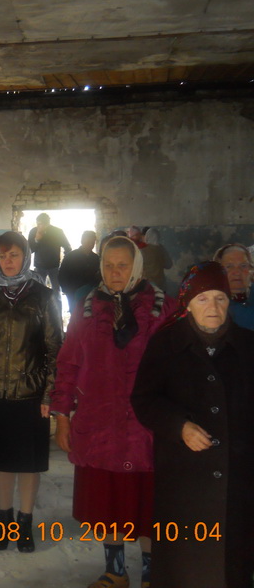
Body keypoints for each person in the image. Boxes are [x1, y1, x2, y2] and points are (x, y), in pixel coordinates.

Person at [50, 236, 176, 588]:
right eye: (108, 265)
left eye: (123, 265)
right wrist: (62, 416)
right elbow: (69, 363)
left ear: (137, 267)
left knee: (149, 506)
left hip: (146, 427)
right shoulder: (88, 307)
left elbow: (180, 368)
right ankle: (115, 572)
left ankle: (152, 574)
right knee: (108, 505)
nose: (115, 272)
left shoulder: (163, 308)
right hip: (99, 425)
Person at [131, 261, 254, 588]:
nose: (213, 307)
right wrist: (179, 426)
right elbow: (143, 399)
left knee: (232, 565)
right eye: (203, 299)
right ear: (187, 302)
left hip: (236, 479)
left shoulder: (247, 346)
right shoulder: (165, 344)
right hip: (183, 480)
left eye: (220, 298)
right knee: (184, 567)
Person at [0, 232, 62, 553]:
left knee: (29, 463)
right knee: (2, 460)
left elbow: (54, 348)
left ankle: (25, 522)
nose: (8, 261)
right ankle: (4, 520)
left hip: (30, 394)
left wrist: (48, 394)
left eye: (14, 255)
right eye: (3, 255)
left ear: (26, 257)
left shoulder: (43, 296)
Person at [27, 212, 71, 306]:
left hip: (54, 266)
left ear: (48, 223)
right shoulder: (34, 231)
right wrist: (37, 239)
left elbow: (67, 248)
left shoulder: (57, 232)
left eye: (43, 224)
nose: (41, 226)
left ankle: (57, 312)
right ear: (37, 223)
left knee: (56, 293)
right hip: (39, 267)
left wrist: (64, 264)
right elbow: (29, 250)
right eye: (39, 224)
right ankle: (41, 311)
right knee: (39, 292)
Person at [213, 243, 254, 330]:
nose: (237, 272)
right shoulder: (213, 303)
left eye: (243, 266)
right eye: (229, 266)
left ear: (251, 270)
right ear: (218, 272)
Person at [58, 230, 100, 312]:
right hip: (73, 293)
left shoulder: (96, 258)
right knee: (75, 313)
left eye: (92, 242)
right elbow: (62, 275)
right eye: (88, 241)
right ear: (82, 241)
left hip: (91, 293)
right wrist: (67, 290)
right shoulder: (70, 257)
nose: (90, 244)